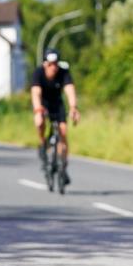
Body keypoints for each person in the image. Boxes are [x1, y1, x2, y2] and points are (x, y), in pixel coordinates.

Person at [31, 48, 80, 184]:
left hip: (57, 104)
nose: (53, 67)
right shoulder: (38, 73)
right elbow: (36, 93)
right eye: (50, 64)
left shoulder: (63, 72)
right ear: (45, 64)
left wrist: (73, 107)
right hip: (42, 104)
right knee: (40, 122)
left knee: (63, 131)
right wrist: (38, 111)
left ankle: (63, 166)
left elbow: (69, 90)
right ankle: (42, 143)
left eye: (56, 64)